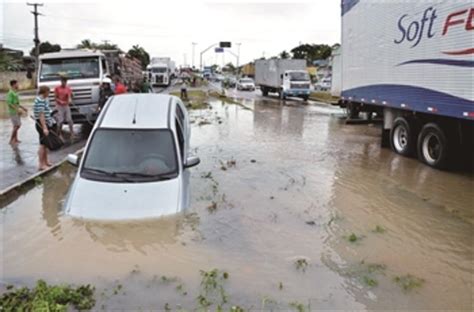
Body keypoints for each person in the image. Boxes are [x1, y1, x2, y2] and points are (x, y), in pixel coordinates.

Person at [34, 86, 55, 170]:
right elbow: (41, 115)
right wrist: (44, 127)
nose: (48, 94)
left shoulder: (44, 99)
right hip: (41, 123)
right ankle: (41, 164)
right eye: (48, 92)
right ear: (45, 92)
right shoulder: (40, 100)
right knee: (42, 144)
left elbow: (46, 111)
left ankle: (46, 161)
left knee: (46, 144)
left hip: (46, 122)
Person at [6, 80, 28, 145]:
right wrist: (16, 110)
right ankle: (11, 140)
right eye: (17, 84)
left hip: (16, 111)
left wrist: (23, 108)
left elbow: (17, 103)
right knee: (17, 125)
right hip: (13, 112)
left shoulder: (15, 92)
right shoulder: (10, 93)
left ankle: (15, 139)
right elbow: (9, 103)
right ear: (13, 85)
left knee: (16, 126)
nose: (18, 85)